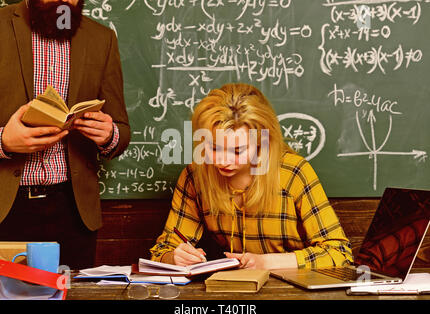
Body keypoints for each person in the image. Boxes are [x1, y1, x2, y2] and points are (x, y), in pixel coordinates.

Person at [150, 83, 352, 269]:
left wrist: (265, 262)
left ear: (262, 142)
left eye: (237, 151)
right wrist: (173, 257)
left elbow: (339, 253)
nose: (223, 161)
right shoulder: (196, 175)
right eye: (213, 148)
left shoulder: (293, 173)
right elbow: (163, 250)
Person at [0, 0, 130, 269]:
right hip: (6, 208)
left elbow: (121, 129)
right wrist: (3, 142)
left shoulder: (102, 39)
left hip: (73, 210)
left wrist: (108, 135)